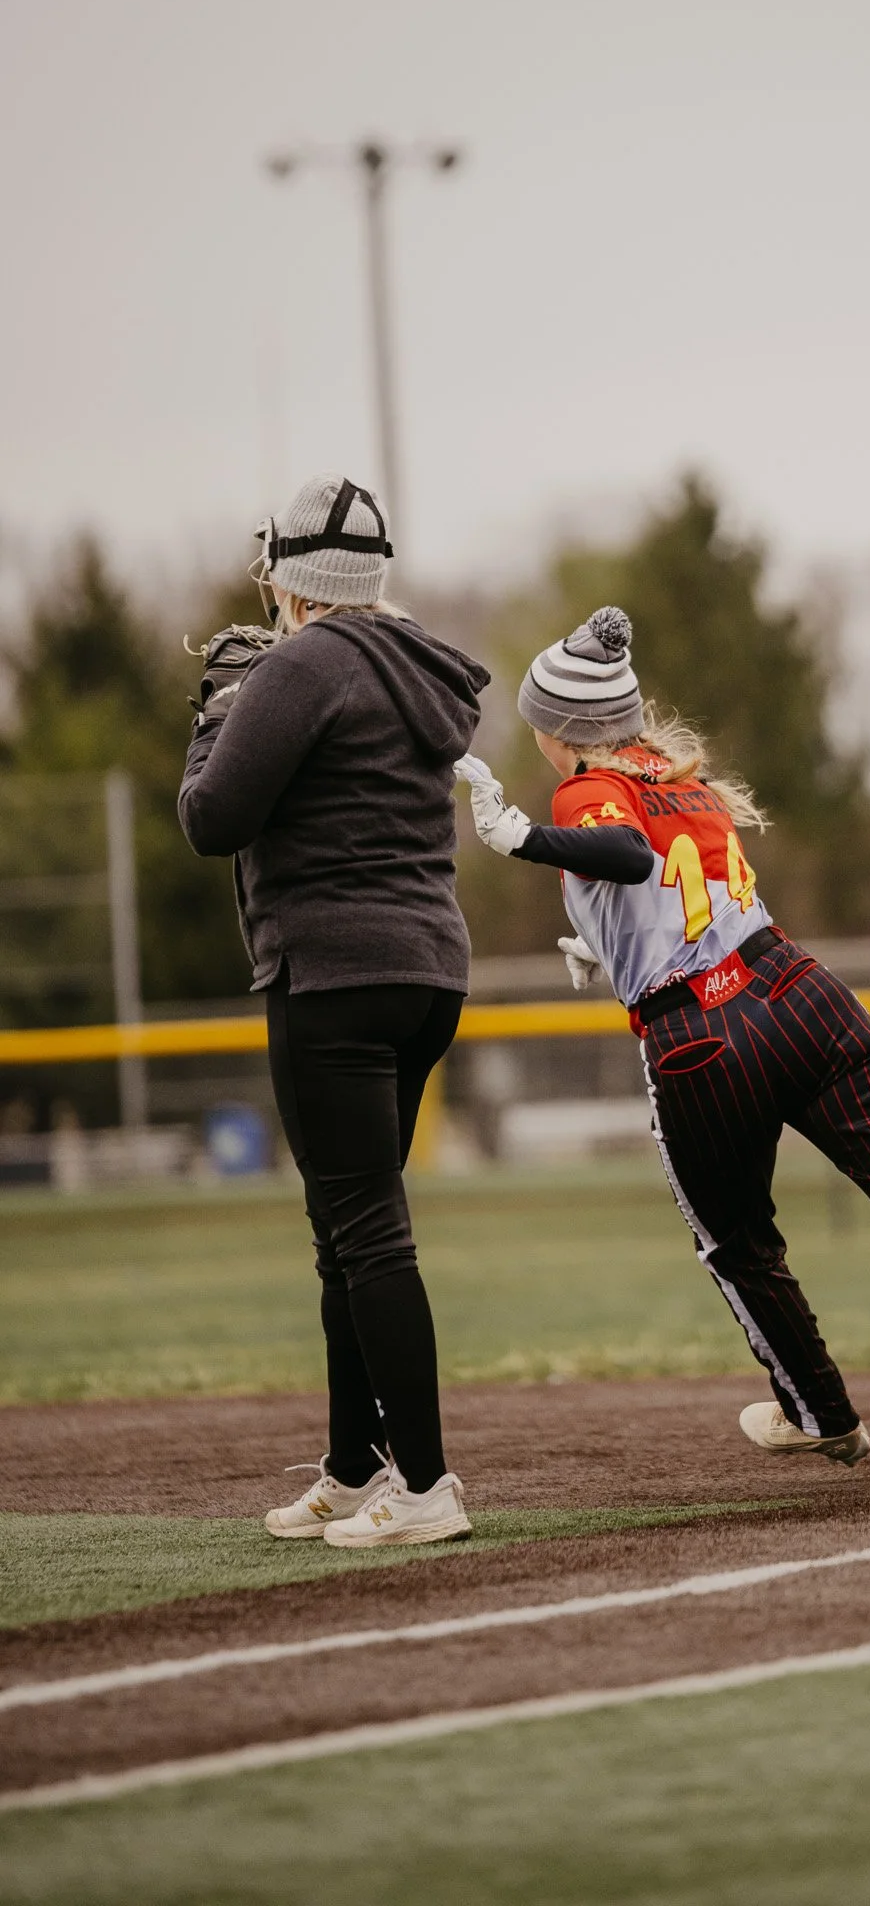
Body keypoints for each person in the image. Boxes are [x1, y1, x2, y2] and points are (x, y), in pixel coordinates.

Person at [457, 606, 870, 1465]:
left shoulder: (584, 788)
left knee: (739, 1246)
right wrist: (606, 949)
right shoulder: (681, 777)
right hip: (796, 987)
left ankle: (821, 1412)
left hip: (701, 1038)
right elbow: (680, 895)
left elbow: (632, 859)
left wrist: (520, 836)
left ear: (559, 728)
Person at [179, 476, 489, 1545]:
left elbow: (212, 819)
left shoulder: (303, 660)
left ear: (288, 579)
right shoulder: (417, 662)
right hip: (426, 968)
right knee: (346, 1237)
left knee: (363, 1234)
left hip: (333, 973)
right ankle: (357, 1467)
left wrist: (210, 724)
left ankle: (429, 1486)